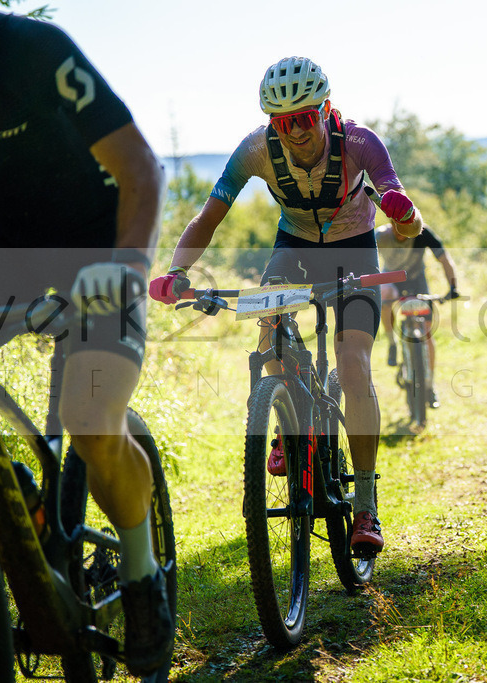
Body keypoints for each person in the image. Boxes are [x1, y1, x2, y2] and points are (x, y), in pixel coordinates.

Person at [0, 1, 173, 676]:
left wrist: (125, 273)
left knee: (90, 421)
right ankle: (4, 499)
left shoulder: (36, 53)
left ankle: (143, 572)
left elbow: (142, 169)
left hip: (101, 236)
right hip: (5, 234)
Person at [149, 56, 423, 555]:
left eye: (304, 117)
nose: (295, 131)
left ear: (325, 109)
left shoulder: (360, 143)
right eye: (282, 121)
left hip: (354, 248)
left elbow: (405, 217)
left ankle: (365, 506)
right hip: (294, 246)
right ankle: (281, 418)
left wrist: (404, 216)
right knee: (267, 323)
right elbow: (208, 218)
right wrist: (177, 272)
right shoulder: (256, 150)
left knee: (354, 365)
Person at [376, 221, 459, 408]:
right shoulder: (380, 236)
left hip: (417, 281)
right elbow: (364, 260)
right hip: (391, 280)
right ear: (391, 224)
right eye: (398, 228)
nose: (403, 234)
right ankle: (392, 343)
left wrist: (453, 287)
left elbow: (445, 259)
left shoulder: (423, 232)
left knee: (427, 333)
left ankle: (429, 385)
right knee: (384, 297)